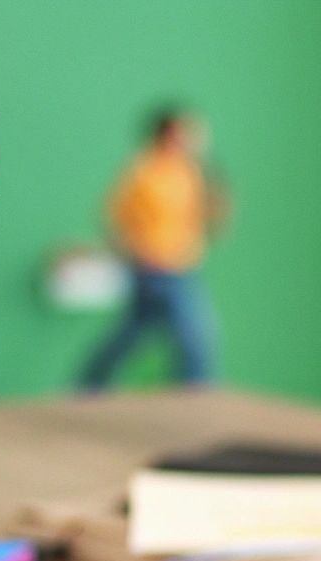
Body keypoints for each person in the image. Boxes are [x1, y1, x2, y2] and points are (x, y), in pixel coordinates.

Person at [78, 106, 226, 391]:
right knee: (195, 338)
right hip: (154, 268)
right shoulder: (144, 171)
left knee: (132, 333)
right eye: (185, 132)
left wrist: (215, 211)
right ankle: (195, 401)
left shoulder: (189, 173)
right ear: (167, 134)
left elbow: (199, 219)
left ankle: (88, 385)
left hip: (184, 265)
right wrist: (134, 253)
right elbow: (114, 215)